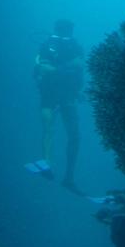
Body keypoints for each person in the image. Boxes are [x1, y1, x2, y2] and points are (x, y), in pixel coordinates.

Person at [34, 18, 84, 194]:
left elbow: (78, 70)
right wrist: (66, 68)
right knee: (61, 131)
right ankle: (59, 172)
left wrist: (78, 91)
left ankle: (59, 172)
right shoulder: (50, 45)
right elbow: (41, 67)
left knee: (57, 131)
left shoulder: (54, 45)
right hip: (55, 93)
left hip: (61, 94)